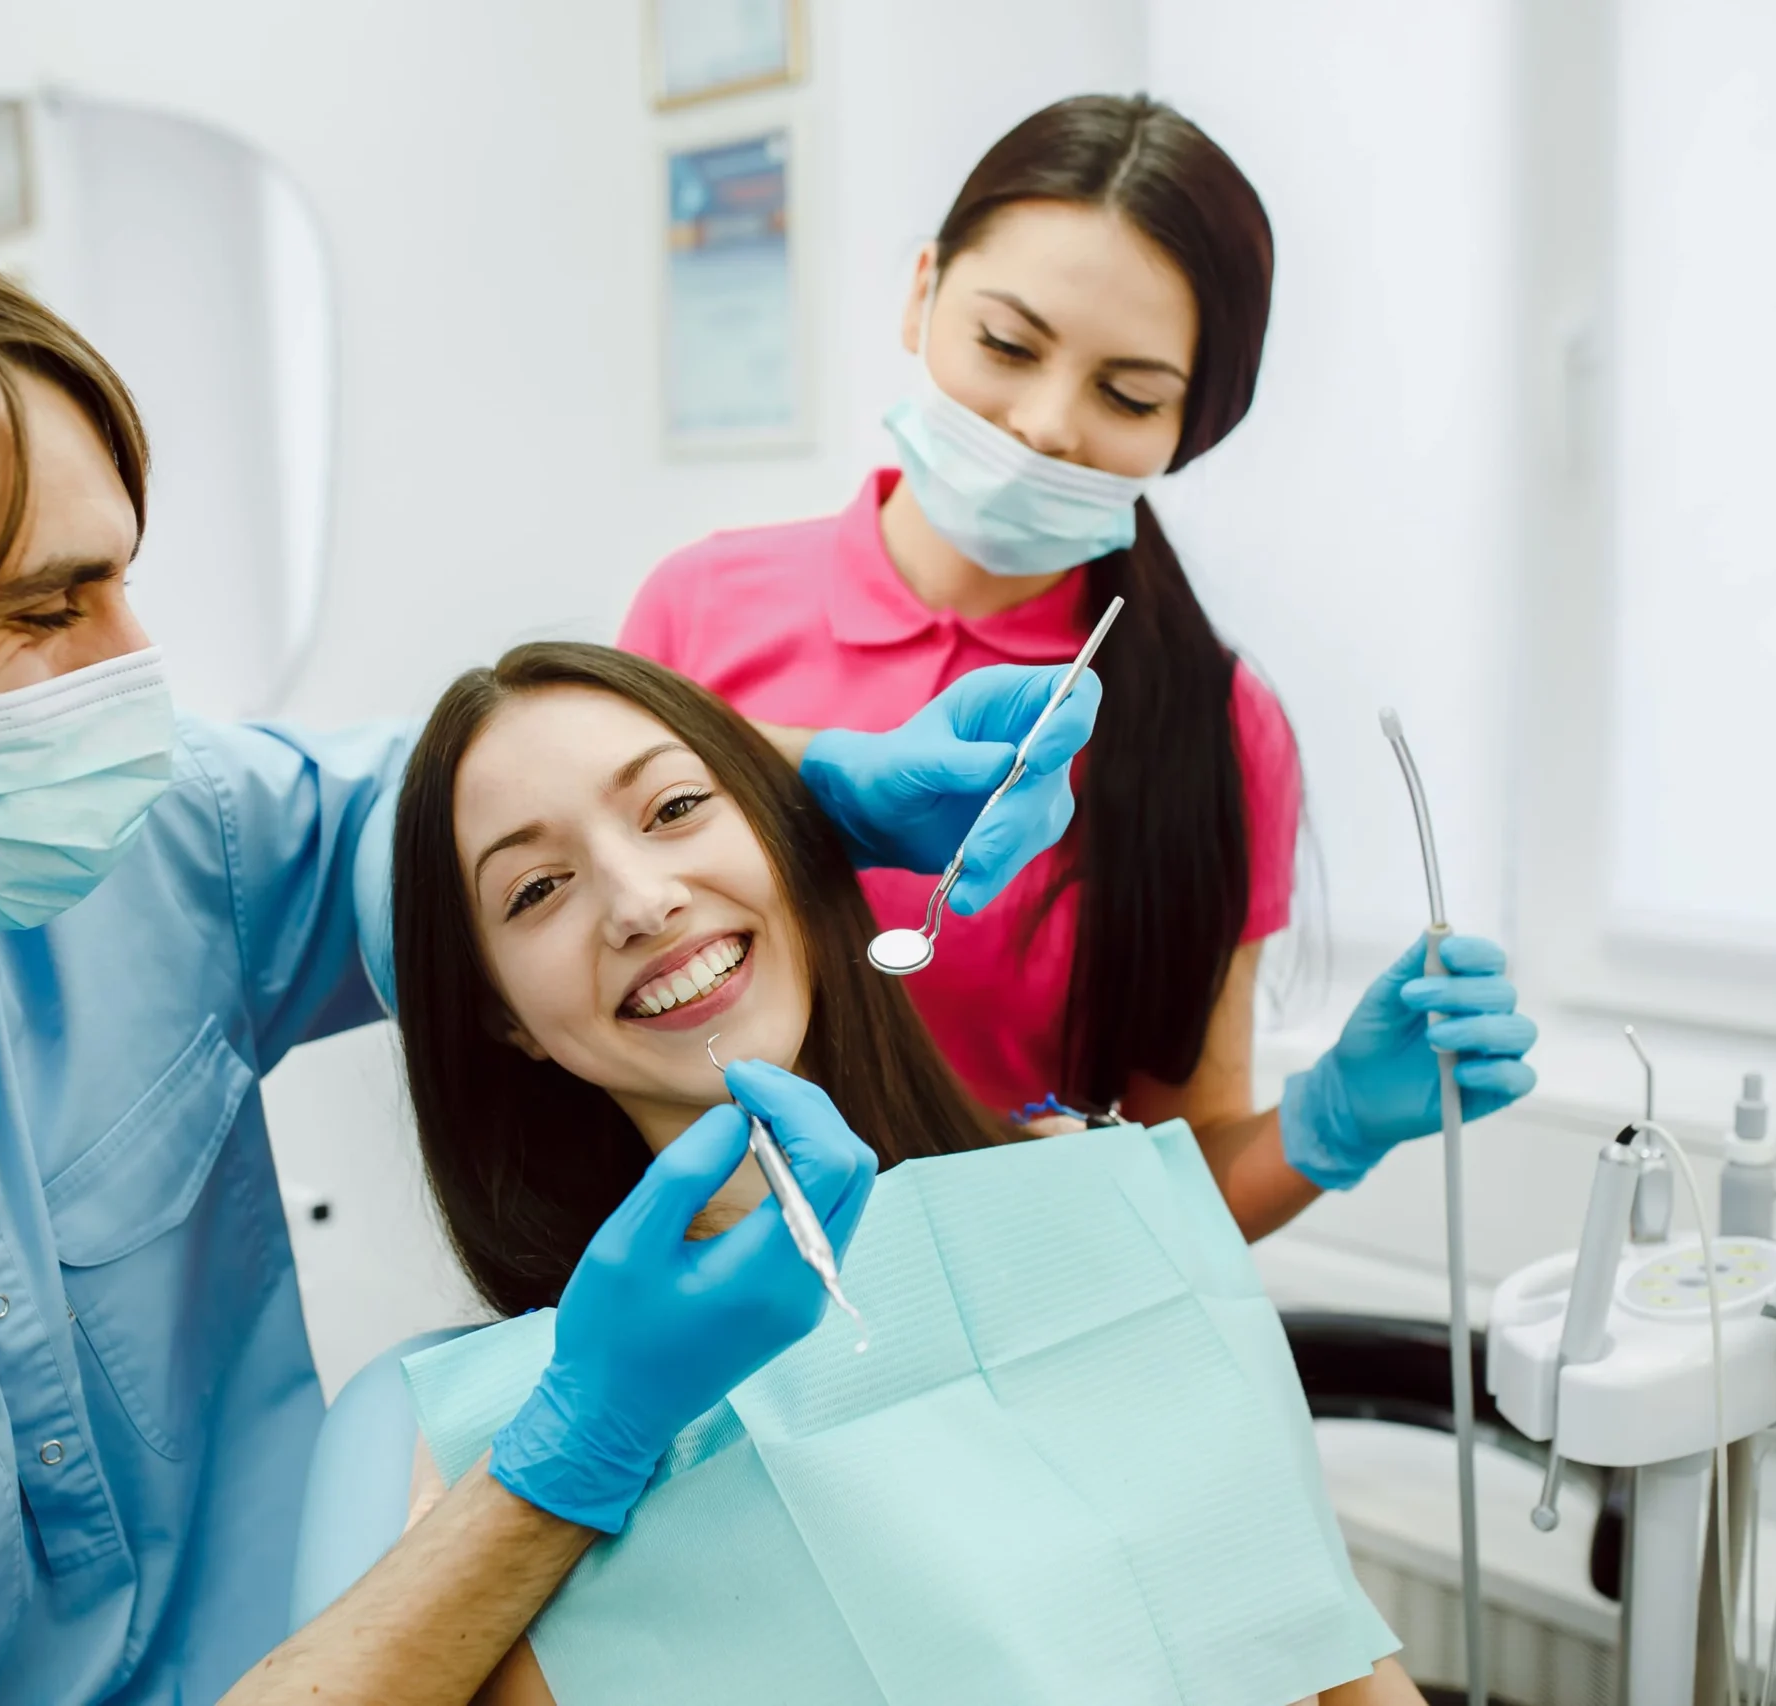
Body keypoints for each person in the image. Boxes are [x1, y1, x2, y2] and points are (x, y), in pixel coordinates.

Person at [0, 209, 1103, 1706]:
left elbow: (480, 816)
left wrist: (810, 777)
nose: (139, 677)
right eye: (41, 610)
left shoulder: (142, 843)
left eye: (124, 583)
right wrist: (575, 1451)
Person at [382, 640, 1450, 1705]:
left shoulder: (1088, 1189)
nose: (640, 900)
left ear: (788, 834)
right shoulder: (516, 1450)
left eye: (671, 808)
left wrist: (1328, 1125)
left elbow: (1326, 1648)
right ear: (500, 1017)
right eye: (534, 888)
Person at [621, 94, 1537, 1240]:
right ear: (920, 294)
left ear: (1191, 427)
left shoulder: (1207, 722)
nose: (1047, 423)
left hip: (992, 1318)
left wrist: (1329, 1126)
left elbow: (1174, 1172)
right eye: (1007, 344)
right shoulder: (699, 609)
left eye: (1127, 394)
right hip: (685, 1315)